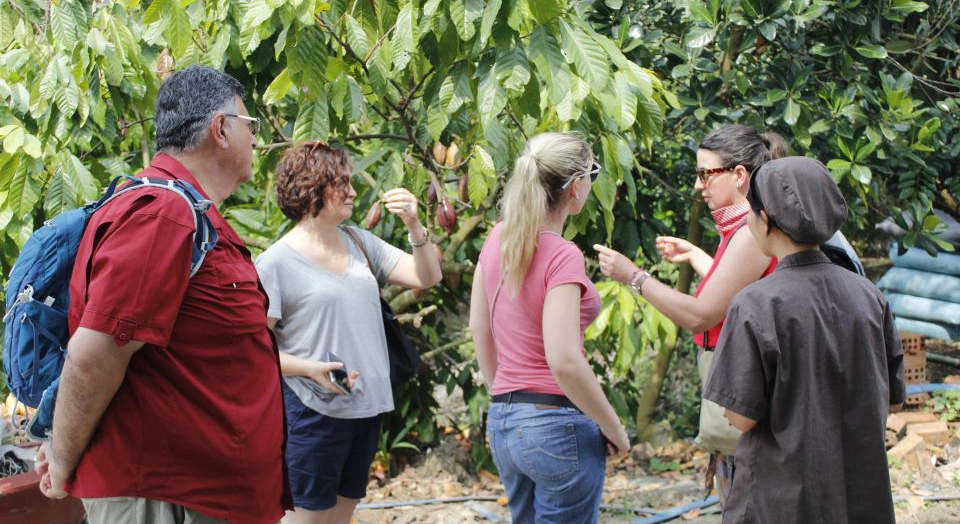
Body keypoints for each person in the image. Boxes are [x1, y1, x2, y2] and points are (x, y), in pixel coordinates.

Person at [35, 65, 291, 523]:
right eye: (250, 126)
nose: (255, 139)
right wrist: (61, 455)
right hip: (165, 498)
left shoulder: (186, 212)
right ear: (221, 129)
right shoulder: (162, 215)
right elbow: (96, 353)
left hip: (201, 495)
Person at [703, 156, 904, 523]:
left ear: (765, 221)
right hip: (860, 495)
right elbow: (890, 400)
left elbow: (741, 417)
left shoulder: (755, 303)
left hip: (781, 498)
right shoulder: (869, 295)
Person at [255, 141, 442, 524]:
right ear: (312, 188)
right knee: (304, 519)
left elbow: (427, 276)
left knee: (341, 516)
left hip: (365, 407)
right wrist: (309, 369)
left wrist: (414, 225)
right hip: (312, 411)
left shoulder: (359, 241)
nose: (353, 192)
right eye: (342, 183)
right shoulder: (275, 262)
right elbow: (255, 349)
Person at [593, 124, 782, 496]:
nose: (699, 186)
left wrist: (634, 276)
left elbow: (701, 315)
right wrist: (696, 256)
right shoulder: (742, 228)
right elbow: (734, 292)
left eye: (705, 174)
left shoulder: (749, 232)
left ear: (739, 175)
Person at [469, 132, 630, 523]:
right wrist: (615, 429)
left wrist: (504, 400)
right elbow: (564, 360)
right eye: (593, 172)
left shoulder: (497, 239)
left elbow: (479, 328)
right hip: (555, 424)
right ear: (576, 187)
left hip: (506, 422)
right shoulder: (562, 254)